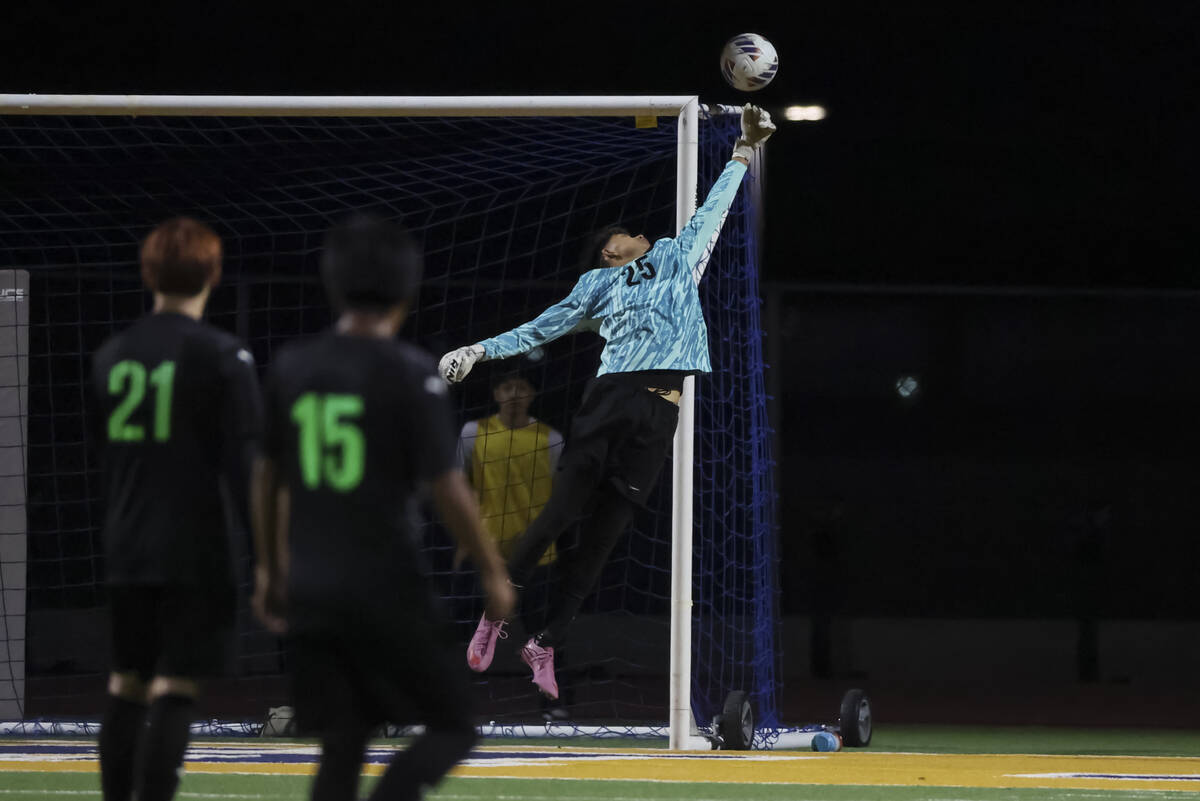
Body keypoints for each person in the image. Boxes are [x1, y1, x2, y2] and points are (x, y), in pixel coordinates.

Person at [438, 105, 775, 700]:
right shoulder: (596, 286)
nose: (642, 234)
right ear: (610, 252)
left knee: (606, 535)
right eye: (629, 234)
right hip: (612, 395)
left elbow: (714, 210)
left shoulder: (675, 256)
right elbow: (538, 329)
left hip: (661, 409)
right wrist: (479, 350)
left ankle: (545, 641)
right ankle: (496, 613)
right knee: (560, 515)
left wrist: (744, 149)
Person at [251, 214, 514, 801]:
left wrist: (270, 569)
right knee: (454, 724)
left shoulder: (293, 365)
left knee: (342, 745)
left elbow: (269, 479)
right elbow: (447, 486)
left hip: (313, 586)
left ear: (333, 283)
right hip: (386, 585)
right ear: (406, 288)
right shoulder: (408, 370)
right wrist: (493, 571)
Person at [92, 217, 262, 801]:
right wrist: (268, 562)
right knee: (175, 687)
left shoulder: (111, 356)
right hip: (196, 546)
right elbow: (247, 471)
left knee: (126, 682)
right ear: (213, 273)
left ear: (147, 272)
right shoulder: (224, 356)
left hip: (126, 540)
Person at [458, 364, 568, 716]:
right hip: (487, 550)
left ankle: (553, 706)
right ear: (496, 394)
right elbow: (460, 487)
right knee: (466, 630)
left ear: (533, 394)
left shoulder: (551, 440)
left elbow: (558, 499)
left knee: (543, 633)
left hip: (537, 554)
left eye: (522, 387)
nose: (515, 394)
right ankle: (451, 704)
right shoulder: (473, 433)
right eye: (507, 387)